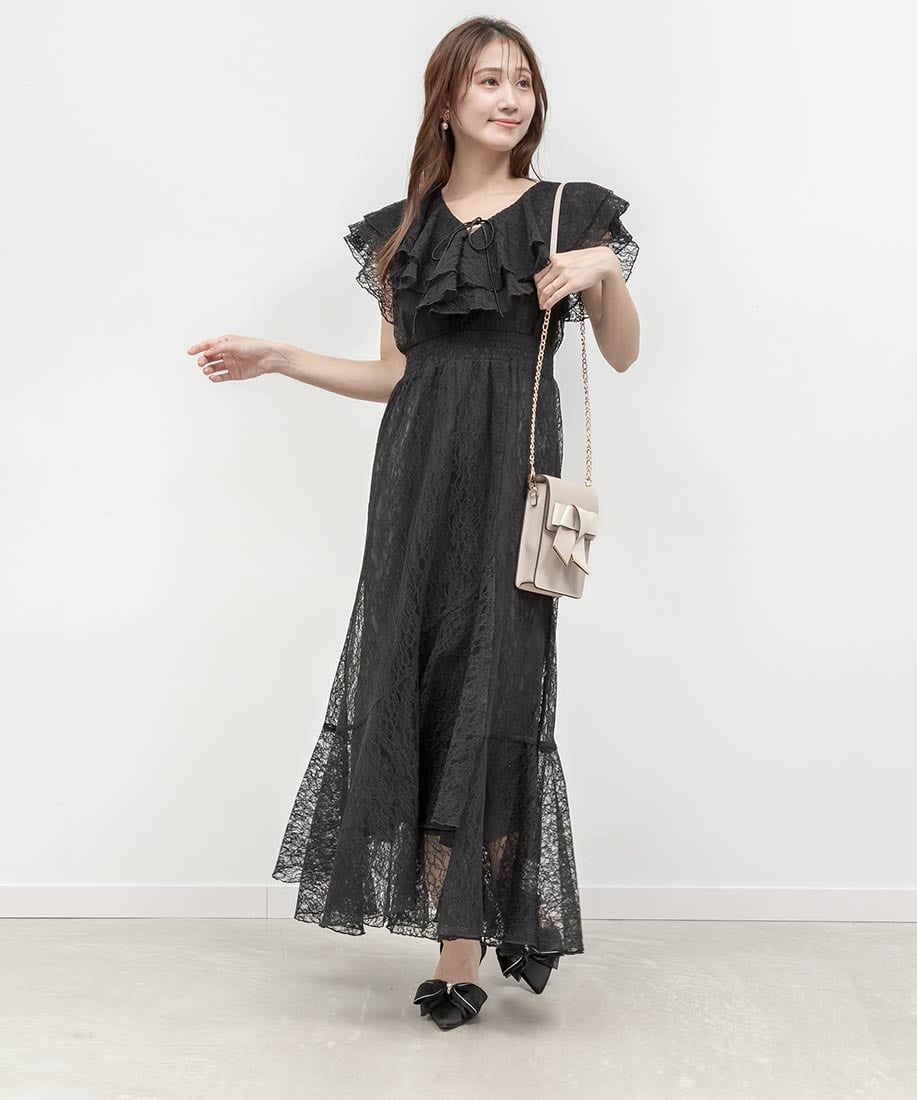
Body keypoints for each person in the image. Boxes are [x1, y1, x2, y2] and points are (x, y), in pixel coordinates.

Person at [186, 16, 640, 1031]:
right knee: (419, 674)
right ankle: (466, 923)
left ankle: (463, 942)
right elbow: (394, 373)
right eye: (489, 81)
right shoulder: (400, 230)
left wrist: (603, 272)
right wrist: (277, 358)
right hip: (414, 482)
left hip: (512, 476)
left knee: (497, 684)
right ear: (446, 100)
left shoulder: (568, 211)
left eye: (522, 81)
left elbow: (620, 354)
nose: (510, 98)